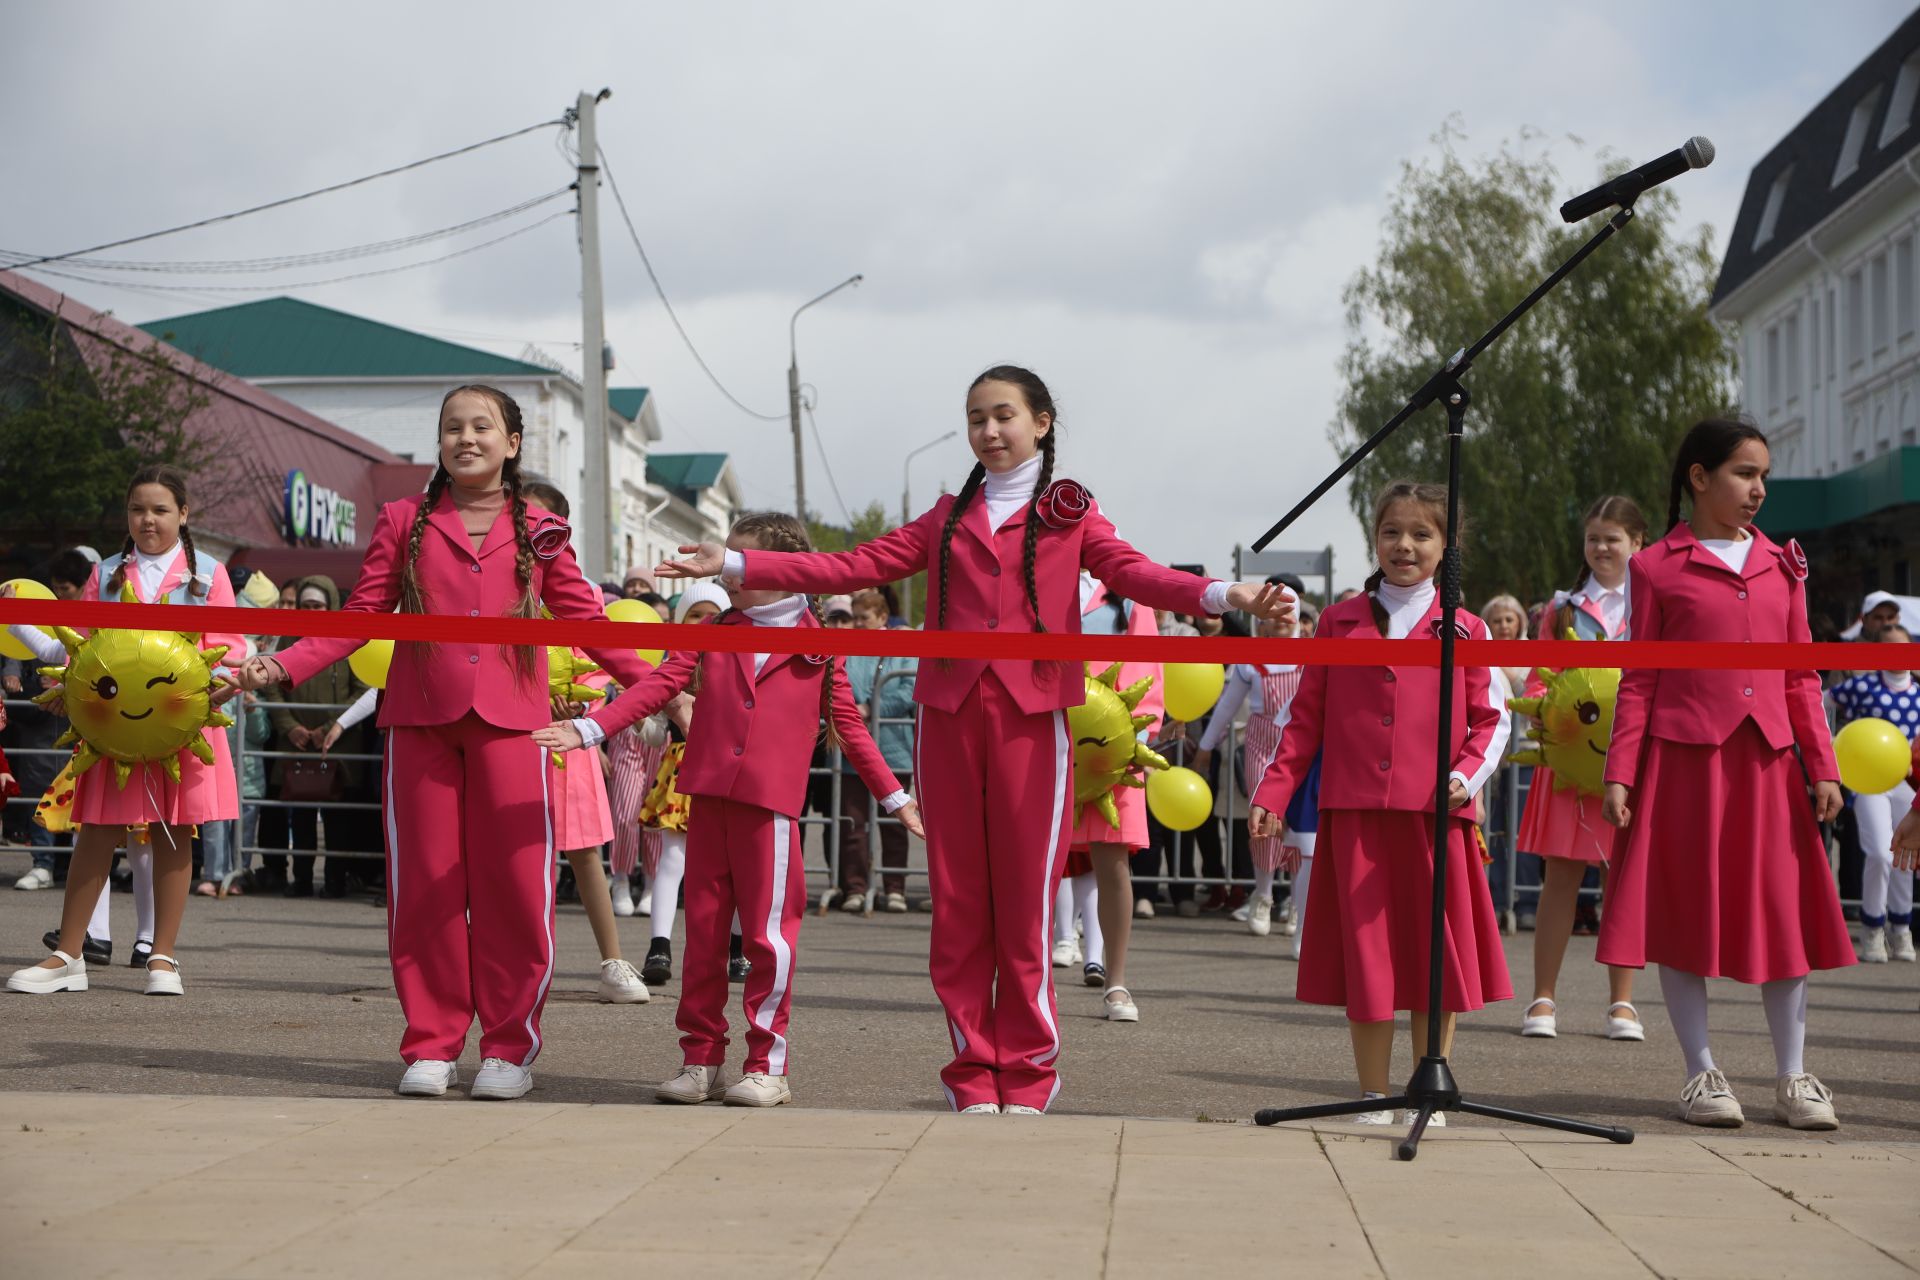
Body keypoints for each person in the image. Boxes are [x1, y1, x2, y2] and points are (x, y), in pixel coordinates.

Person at [655, 364, 1290, 1113]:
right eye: (975, 419)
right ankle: (971, 1071)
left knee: (1024, 903)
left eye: (1004, 416)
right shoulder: (945, 516)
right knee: (958, 905)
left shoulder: (1070, 514)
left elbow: (1135, 572)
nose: (989, 432)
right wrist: (733, 562)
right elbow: (852, 565)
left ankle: (1026, 1072)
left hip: (1032, 723)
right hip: (949, 721)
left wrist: (1225, 594)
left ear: (1042, 423)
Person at [237, 385, 662, 1101]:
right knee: (424, 888)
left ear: (512, 443)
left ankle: (508, 1048)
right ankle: (431, 1043)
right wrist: (280, 662)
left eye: (481, 427)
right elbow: (362, 614)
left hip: (514, 726)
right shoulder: (403, 518)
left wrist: (664, 685)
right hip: (420, 723)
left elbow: (586, 617)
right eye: (452, 428)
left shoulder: (541, 524)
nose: (466, 438)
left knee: (515, 891)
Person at [538, 512, 922, 1108]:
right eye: (728, 555)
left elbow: (849, 724)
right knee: (706, 936)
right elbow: (658, 685)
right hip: (706, 798)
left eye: (741, 558)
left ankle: (768, 1063)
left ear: (786, 568)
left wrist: (895, 797)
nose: (729, 569)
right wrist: (591, 727)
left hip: (769, 807)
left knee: (769, 939)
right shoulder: (716, 625)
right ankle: (699, 1059)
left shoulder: (820, 642)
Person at [1599, 419, 1852, 1131]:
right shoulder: (1654, 567)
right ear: (1699, 478)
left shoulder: (1784, 564)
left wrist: (1821, 763)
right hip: (1683, 765)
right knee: (1684, 916)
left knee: (1783, 914)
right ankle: (1700, 1072)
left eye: (1764, 475)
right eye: (1744, 474)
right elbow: (1640, 676)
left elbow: (1801, 674)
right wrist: (1622, 770)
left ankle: (1793, 1076)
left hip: (1769, 766)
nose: (1758, 490)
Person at [1250, 480, 1512, 1127]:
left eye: (1422, 534)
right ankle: (1373, 1094)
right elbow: (1305, 720)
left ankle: (1430, 1083)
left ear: (1445, 546)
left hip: (1435, 817)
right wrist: (1274, 791)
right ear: (1374, 538)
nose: (1405, 545)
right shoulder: (1338, 623)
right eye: (1393, 532)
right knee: (1368, 958)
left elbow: (1492, 720)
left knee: (1434, 957)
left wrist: (1468, 776)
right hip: (1356, 816)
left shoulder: (1468, 628)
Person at [6, 466, 244, 998]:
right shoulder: (108, 572)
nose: (148, 520)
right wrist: (21, 623)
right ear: (127, 515)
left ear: (183, 514)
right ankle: (69, 953)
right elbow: (79, 649)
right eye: (138, 509)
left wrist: (229, 679)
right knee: (96, 829)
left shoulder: (210, 573)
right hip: (113, 728)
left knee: (173, 831)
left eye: (160, 510)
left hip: (182, 727)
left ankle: (162, 956)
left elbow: (231, 643)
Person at [1514, 496, 1648, 1042]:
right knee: (1560, 880)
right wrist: (1546, 712)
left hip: (1631, 761)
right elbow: (1539, 677)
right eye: (1593, 538)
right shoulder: (1563, 609)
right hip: (1570, 761)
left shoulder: (1653, 605)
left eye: (1612, 538)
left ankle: (1623, 1004)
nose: (1601, 548)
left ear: (1638, 543)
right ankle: (1542, 998)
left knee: (1623, 881)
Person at [520, 482, 650, 1005]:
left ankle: (613, 961)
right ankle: (511, 961)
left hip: (568, 739)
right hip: (511, 730)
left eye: (540, 521)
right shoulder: (501, 587)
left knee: (584, 851)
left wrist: (578, 706)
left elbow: (597, 660)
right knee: (509, 852)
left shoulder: (584, 592)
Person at [1057, 573, 1164, 1021]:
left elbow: (1148, 670)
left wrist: (1140, 735)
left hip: (1110, 750)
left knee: (1113, 864)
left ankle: (1116, 982)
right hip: (1048, 740)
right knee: (1034, 866)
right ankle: (1032, 978)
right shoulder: (1037, 582)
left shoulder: (1131, 601)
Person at [1201, 599, 1320, 951]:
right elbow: (1225, 708)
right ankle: (1264, 895)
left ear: (1300, 623)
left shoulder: (1313, 658)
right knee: (1263, 823)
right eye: (1276, 615)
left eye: (1290, 614)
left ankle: (1298, 907)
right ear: (1263, 623)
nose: (1284, 620)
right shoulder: (1250, 662)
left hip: (1301, 749)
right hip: (1261, 745)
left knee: (1300, 828)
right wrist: (1207, 746)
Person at [258, 576, 378, 899]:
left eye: (318, 607)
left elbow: (364, 688)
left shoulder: (347, 640)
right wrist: (290, 727)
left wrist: (328, 728)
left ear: (331, 608)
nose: (311, 611)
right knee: (301, 816)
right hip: (294, 743)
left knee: (337, 819)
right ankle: (301, 880)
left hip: (337, 744)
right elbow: (272, 684)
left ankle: (336, 880)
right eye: (306, 606)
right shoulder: (287, 641)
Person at [634, 582, 727, 985]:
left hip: (727, 770)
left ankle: (738, 950)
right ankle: (660, 946)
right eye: (694, 614)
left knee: (732, 865)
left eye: (712, 614)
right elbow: (656, 735)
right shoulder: (673, 667)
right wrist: (641, 716)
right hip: (682, 770)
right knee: (672, 860)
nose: (703, 622)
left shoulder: (738, 664)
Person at [1826, 627, 1918, 963]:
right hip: (1868, 783)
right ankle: (1873, 926)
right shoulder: (1861, 687)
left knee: (1905, 856)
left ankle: (1901, 926)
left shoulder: (1919, 695)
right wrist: (1827, 746)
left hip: (1908, 784)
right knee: (1879, 853)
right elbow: (1819, 702)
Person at [837, 588, 917, 913]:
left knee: (895, 822)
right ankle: (855, 886)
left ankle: (894, 887)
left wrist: (871, 705)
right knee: (853, 822)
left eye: (863, 618)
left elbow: (910, 689)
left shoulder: (901, 647)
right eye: (854, 618)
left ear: (883, 618)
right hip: (855, 750)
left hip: (894, 748)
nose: (856, 624)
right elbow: (837, 683)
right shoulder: (847, 649)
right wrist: (854, 708)